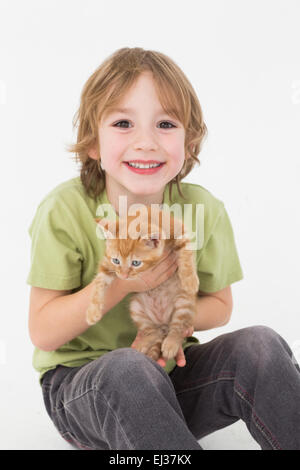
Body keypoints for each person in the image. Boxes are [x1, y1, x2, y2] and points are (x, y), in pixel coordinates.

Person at [27, 47, 300, 450]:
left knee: (261, 344)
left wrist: (175, 319)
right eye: (123, 123)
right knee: (129, 369)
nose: (146, 142)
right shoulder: (65, 210)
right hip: (83, 388)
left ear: (188, 144)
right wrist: (122, 285)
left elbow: (220, 305)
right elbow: (43, 331)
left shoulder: (202, 210)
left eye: (166, 124)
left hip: (171, 378)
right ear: (93, 145)